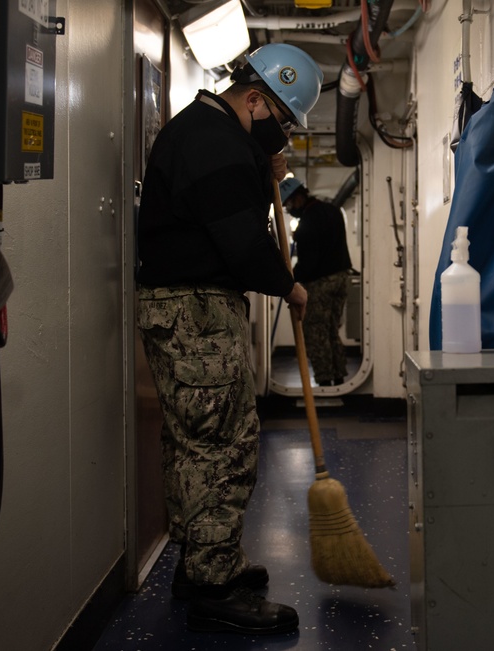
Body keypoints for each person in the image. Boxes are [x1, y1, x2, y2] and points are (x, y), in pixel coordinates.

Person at [135, 43, 322, 636]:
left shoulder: (205, 134)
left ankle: (202, 564)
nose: (283, 137)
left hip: (183, 307)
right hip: (195, 309)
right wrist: (286, 286)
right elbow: (241, 242)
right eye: (283, 122)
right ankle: (215, 585)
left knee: (192, 443)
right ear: (253, 98)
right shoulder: (215, 143)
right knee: (222, 445)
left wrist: (259, 164)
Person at [279, 177, 353, 386]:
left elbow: (309, 264)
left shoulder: (307, 224)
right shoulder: (332, 210)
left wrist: (289, 278)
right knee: (331, 330)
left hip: (320, 284)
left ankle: (324, 380)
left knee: (315, 332)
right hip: (341, 278)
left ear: (300, 197)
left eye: (289, 204)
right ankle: (338, 377)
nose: (289, 209)